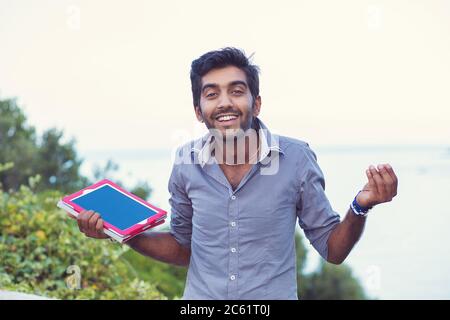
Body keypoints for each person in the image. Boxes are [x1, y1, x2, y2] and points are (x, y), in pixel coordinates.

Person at [75, 47, 398, 299]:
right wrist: (121, 233)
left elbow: (333, 249)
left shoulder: (296, 158)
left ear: (256, 103)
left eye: (236, 91)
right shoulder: (185, 160)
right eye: (212, 93)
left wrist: (360, 206)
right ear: (198, 110)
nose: (225, 102)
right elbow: (183, 248)